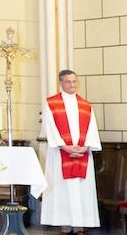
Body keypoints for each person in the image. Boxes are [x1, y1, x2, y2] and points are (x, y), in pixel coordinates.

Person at [40, 69, 101, 234]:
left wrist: (86, 147)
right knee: (63, 190)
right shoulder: (51, 103)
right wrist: (64, 146)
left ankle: (80, 226)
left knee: (81, 190)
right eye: (68, 82)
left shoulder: (86, 105)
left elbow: (91, 128)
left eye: (74, 81)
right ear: (61, 83)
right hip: (60, 154)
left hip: (82, 154)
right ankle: (65, 225)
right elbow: (50, 127)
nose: (72, 85)